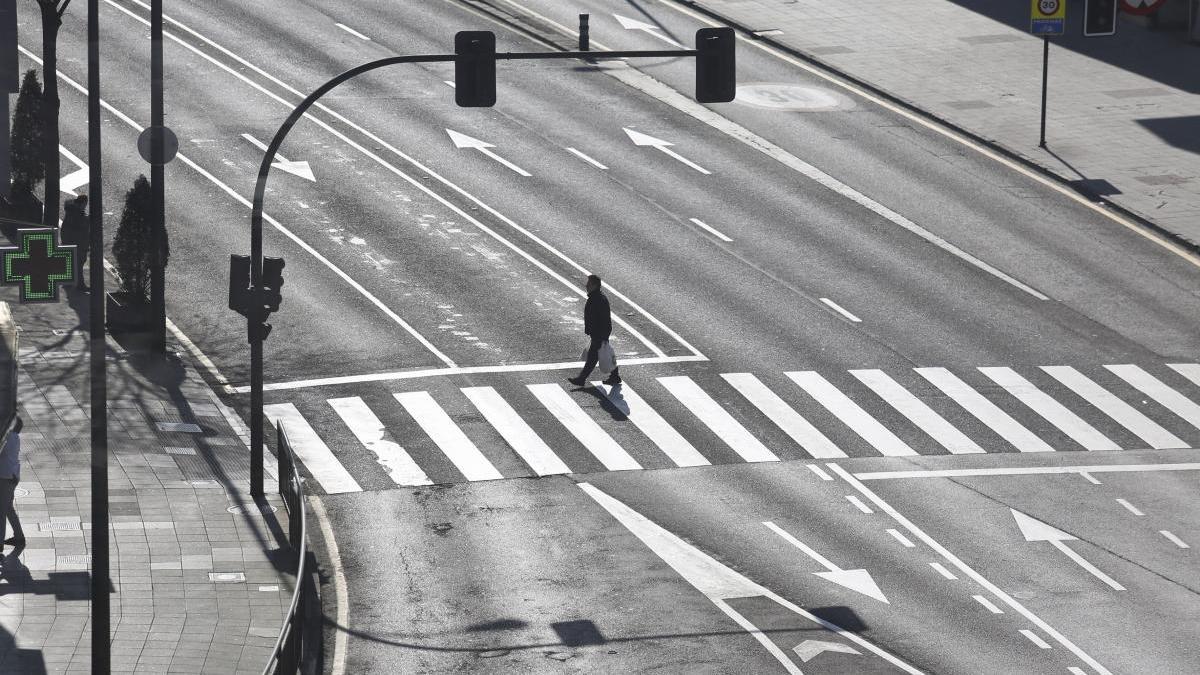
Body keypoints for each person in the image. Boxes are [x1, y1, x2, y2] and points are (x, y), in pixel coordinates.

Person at [569, 274, 621, 387]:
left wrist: (600, 334)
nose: (586, 285)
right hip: (599, 332)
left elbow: (601, 318)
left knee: (593, 357)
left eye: (589, 283)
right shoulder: (596, 297)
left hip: (599, 333)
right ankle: (615, 376)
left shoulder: (597, 299)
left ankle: (581, 379)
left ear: (595, 285)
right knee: (604, 353)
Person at [0, 417, 25, 549]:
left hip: (5, 477)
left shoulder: (8, 438)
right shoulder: (14, 437)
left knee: (1, 511)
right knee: (8, 509)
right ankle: (19, 537)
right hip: (11, 476)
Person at [60, 194, 90, 291]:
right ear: (83, 203)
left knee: (73, 263)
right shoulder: (77, 214)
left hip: (70, 241)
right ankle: (80, 285)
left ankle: (68, 282)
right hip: (77, 243)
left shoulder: (72, 211)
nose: (85, 206)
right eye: (85, 204)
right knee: (79, 263)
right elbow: (81, 227)